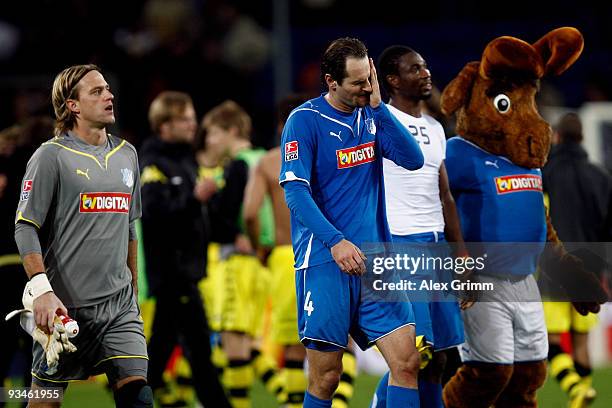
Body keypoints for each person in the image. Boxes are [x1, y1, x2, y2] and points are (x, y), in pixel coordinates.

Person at [279, 37, 425, 408]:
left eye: (369, 78)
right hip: (327, 262)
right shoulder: (305, 121)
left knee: (407, 363)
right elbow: (296, 194)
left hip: (376, 262)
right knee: (327, 377)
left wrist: (378, 107)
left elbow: (412, 159)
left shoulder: (371, 115)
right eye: (358, 82)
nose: (366, 87)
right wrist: (336, 241)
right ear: (331, 82)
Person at [13, 64, 152, 407]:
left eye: (107, 88)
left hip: (119, 307)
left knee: (139, 397)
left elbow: (130, 227)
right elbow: (25, 225)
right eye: (97, 91)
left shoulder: (128, 155)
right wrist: (42, 291)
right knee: (45, 402)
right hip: (63, 310)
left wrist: (132, 289)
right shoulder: (51, 156)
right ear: (73, 105)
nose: (109, 95)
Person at [371, 45, 468, 408]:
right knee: (413, 355)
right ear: (392, 80)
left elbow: (445, 195)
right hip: (399, 244)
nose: (426, 73)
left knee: (441, 356)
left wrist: (460, 256)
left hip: (436, 245)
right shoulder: (378, 123)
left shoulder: (435, 127)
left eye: (425, 66)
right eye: (415, 69)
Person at [138, 91, 231, 408]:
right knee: (196, 352)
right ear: (164, 125)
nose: (193, 124)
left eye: (192, 117)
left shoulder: (184, 160)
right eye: (184, 118)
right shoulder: (152, 164)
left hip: (184, 273)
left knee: (167, 349)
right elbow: (153, 216)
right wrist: (195, 198)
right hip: (172, 273)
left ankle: (134, 399)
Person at [198, 100, 279, 408]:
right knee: (247, 343)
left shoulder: (238, 166)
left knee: (234, 342)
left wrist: (213, 207)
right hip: (266, 262)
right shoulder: (268, 158)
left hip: (239, 261)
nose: (209, 140)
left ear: (231, 131)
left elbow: (230, 216)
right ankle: (289, 396)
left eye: (213, 133)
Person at [542, 112, 612, 408]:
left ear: (556, 136)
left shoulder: (545, 173)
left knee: (553, 341)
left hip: (555, 267)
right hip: (591, 269)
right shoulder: (600, 176)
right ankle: (582, 391)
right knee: (581, 339)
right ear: (582, 137)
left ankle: (575, 390)